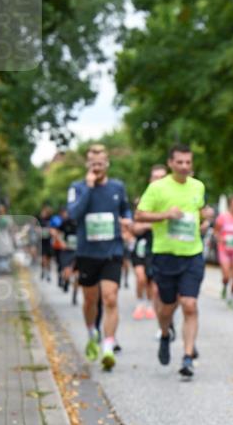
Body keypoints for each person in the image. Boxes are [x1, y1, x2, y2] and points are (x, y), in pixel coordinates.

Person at [135, 144, 213, 379]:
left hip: (192, 254)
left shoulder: (198, 186)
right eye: (180, 162)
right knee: (167, 307)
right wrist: (166, 215)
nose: (184, 166)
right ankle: (165, 333)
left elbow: (198, 213)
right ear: (170, 163)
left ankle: (187, 357)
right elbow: (139, 215)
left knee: (190, 304)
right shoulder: (157, 188)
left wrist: (204, 220)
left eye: (188, 162)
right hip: (165, 254)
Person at [67, 144, 132, 371]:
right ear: (88, 165)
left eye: (101, 164)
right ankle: (92, 332)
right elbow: (74, 214)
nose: (97, 167)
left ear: (107, 164)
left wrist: (127, 221)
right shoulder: (77, 188)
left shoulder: (117, 187)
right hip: (87, 253)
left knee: (110, 298)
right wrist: (89, 187)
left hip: (112, 250)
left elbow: (126, 210)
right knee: (90, 300)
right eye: (93, 164)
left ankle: (108, 346)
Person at [130, 166, 166, 321]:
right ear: (150, 180)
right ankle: (140, 303)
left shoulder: (169, 201)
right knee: (140, 277)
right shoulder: (143, 201)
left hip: (158, 246)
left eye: (161, 177)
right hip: (141, 246)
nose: (158, 180)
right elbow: (134, 227)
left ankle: (151, 305)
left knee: (152, 281)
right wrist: (151, 224)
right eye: (155, 177)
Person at [39, 204, 54, 281]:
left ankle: (48, 273)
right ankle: (43, 271)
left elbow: (55, 230)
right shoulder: (40, 221)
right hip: (42, 242)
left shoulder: (51, 221)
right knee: (43, 258)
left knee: (49, 259)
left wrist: (51, 231)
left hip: (49, 242)